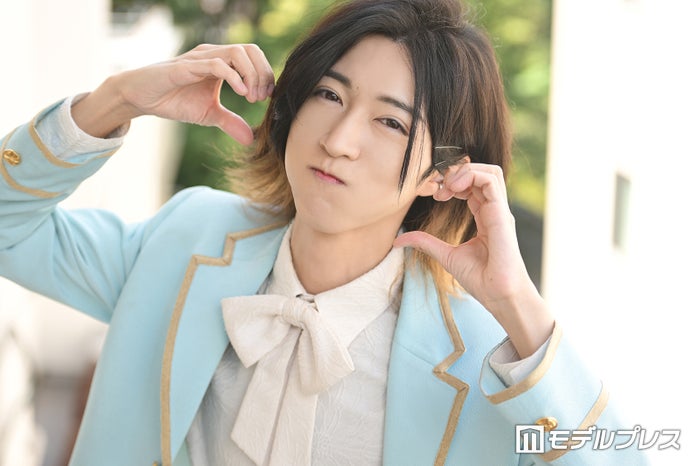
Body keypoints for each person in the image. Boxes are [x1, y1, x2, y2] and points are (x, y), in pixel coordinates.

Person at [0, 0, 648, 465]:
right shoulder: (186, 238)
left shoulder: (485, 360)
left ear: (443, 172)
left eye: (391, 123)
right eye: (330, 95)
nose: (338, 141)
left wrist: (519, 306)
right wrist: (116, 99)